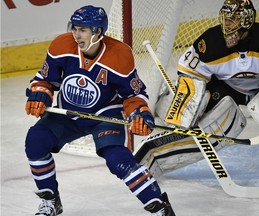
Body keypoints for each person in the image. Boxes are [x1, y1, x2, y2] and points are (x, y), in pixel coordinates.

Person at [25, 5, 175, 216]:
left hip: (105, 116)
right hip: (67, 114)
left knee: (118, 161)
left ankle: (160, 207)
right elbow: (45, 79)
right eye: (75, 28)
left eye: (83, 30)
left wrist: (140, 113)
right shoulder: (61, 45)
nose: (76, 34)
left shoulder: (119, 55)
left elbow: (133, 95)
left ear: (97, 32)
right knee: (35, 141)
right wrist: (40, 92)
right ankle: (50, 201)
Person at [137, 0, 259, 177]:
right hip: (225, 90)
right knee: (217, 127)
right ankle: (154, 158)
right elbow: (189, 71)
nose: (226, 23)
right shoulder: (210, 43)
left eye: (232, 19)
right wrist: (185, 113)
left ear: (247, 20)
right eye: (224, 18)